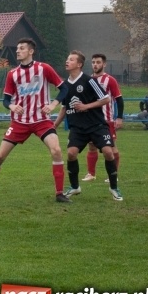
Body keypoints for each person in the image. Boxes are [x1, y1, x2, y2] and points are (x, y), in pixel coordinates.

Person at [0, 38, 71, 203]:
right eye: (17, 48)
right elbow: (5, 100)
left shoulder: (44, 68)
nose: (18, 51)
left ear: (31, 51)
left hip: (41, 120)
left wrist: (53, 104)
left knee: (56, 150)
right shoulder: (13, 74)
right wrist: (11, 106)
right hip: (20, 122)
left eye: (22, 48)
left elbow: (64, 88)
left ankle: (59, 193)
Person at [53, 51, 122, 201]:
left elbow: (105, 99)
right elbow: (64, 107)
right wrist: (55, 125)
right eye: (67, 58)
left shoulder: (89, 81)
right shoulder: (65, 85)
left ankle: (114, 187)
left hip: (96, 125)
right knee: (71, 154)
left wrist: (86, 106)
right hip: (77, 128)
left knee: (108, 152)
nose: (67, 61)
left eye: (70, 59)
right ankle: (75, 187)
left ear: (79, 64)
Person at [82, 54, 123, 182]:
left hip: (106, 119)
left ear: (104, 64)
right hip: (91, 120)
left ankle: (113, 175)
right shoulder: (87, 80)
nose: (95, 64)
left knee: (110, 147)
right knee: (92, 146)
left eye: (98, 62)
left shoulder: (110, 80)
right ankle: (91, 174)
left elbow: (119, 99)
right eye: (93, 62)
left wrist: (119, 117)